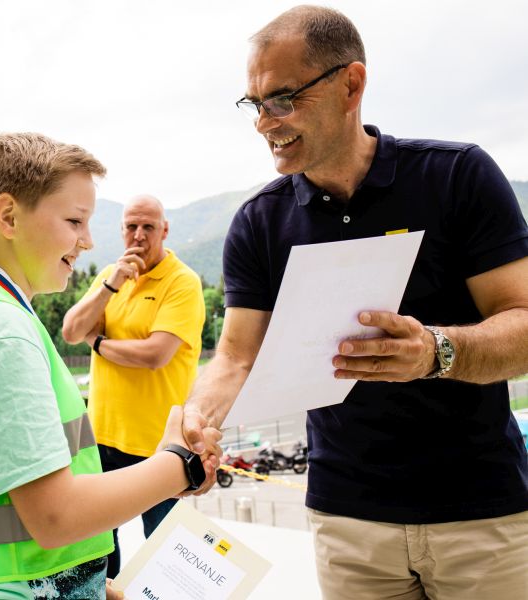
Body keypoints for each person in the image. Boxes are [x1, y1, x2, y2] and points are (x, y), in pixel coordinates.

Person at [182, 6, 528, 599]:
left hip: (481, 512)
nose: (264, 123)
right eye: (254, 103)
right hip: (346, 521)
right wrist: (198, 418)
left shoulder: (457, 176)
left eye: (282, 99)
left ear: (352, 84)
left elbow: (522, 324)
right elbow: (237, 357)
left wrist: (436, 351)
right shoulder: (259, 222)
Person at [0, 132, 222, 599]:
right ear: (8, 216)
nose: (88, 241)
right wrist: (180, 465)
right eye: (75, 220)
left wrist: (89, 586)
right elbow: (55, 516)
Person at [61, 194, 205, 577]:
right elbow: (71, 331)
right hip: (102, 440)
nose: (139, 235)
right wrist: (110, 285)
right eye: (131, 227)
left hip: (160, 447)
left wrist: (98, 343)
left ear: (165, 230)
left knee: (166, 556)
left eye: (148, 227)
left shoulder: (182, 282)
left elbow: (155, 354)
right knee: (99, 552)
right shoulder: (112, 274)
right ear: (121, 229)